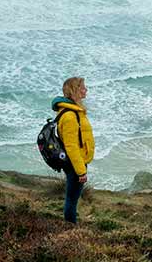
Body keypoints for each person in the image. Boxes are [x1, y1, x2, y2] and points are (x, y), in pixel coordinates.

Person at [51, 77, 95, 223]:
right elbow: (71, 146)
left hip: (77, 161)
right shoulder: (70, 116)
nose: (86, 90)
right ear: (74, 90)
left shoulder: (74, 111)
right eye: (83, 87)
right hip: (75, 163)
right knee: (72, 199)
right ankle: (71, 229)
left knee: (73, 196)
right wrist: (80, 171)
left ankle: (71, 223)